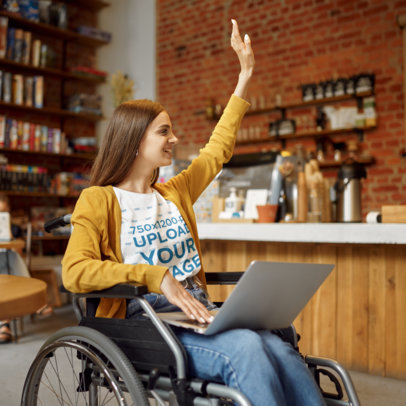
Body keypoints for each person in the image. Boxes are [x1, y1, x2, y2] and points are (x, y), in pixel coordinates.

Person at [62, 20, 325, 405]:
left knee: (277, 347)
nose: (175, 139)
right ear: (135, 142)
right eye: (164, 132)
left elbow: (217, 149)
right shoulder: (98, 200)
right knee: (249, 350)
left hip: (196, 310)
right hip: (145, 322)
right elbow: (75, 271)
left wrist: (245, 77)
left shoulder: (175, 192)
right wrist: (156, 277)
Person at [0, 193, 52, 343]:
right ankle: (36, 301)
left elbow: (19, 252)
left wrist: (7, 234)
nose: (1, 215)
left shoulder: (14, 229)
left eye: (3, 212)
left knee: (13, 256)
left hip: (8, 268)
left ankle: (4, 325)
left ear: (8, 210)